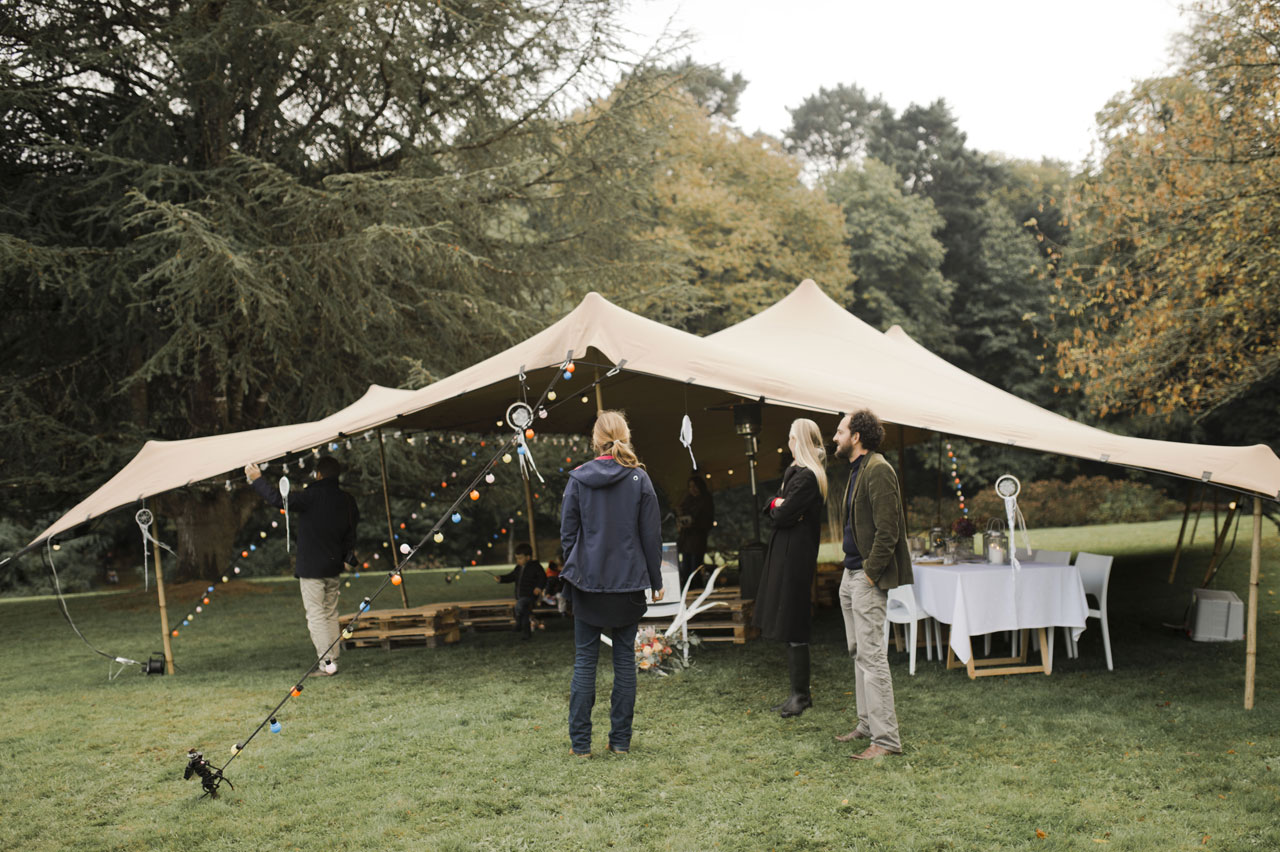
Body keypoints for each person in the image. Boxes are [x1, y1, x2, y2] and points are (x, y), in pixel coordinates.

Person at [560, 410, 664, 757]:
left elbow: (567, 535)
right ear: (625, 436)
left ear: (595, 440)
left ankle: (581, 745)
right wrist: (655, 579)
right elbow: (651, 536)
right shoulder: (639, 480)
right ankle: (620, 742)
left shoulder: (577, 479)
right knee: (623, 663)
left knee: (585, 662)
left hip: (587, 583)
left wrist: (579, 564)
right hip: (628, 584)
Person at [832, 409, 912, 759]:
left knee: (873, 656)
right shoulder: (856, 470)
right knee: (858, 653)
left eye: (839, 431)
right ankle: (866, 725)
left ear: (857, 437)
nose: (834, 437)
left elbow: (888, 530)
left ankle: (886, 740)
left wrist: (868, 574)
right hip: (851, 576)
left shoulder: (878, 470)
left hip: (865, 578)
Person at [245, 456, 358, 677]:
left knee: (316, 615)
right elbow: (351, 530)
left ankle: (327, 664)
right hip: (335, 565)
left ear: (319, 474)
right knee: (330, 613)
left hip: (311, 567)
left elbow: (279, 500)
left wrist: (258, 479)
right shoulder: (346, 499)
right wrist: (347, 555)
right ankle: (332, 660)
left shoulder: (311, 496)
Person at [753, 418, 828, 718]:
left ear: (801, 441)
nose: (788, 443)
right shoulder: (796, 473)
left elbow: (783, 514)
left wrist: (780, 507)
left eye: (791, 437)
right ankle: (797, 693)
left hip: (796, 555)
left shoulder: (809, 477)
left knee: (795, 619)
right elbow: (776, 507)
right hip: (785, 551)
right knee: (787, 618)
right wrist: (778, 505)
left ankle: (802, 695)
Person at [494, 542, 547, 639]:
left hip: (530, 595)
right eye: (517, 558)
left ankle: (518, 623)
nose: (518, 560)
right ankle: (526, 634)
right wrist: (501, 578)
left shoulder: (535, 567)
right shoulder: (518, 568)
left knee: (519, 606)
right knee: (525, 613)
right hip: (520, 595)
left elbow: (543, 578)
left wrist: (539, 587)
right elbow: (511, 576)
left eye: (520, 558)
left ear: (528, 557)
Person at [676, 473, 715, 589]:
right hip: (686, 540)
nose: (692, 489)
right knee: (686, 568)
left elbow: (707, 521)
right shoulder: (688, 500)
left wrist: (693, 523)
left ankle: (697, 589)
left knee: (695, 568)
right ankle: (689, 590)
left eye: (694, 486)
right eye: (690, 487)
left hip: (698, 539)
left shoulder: (705, 500)